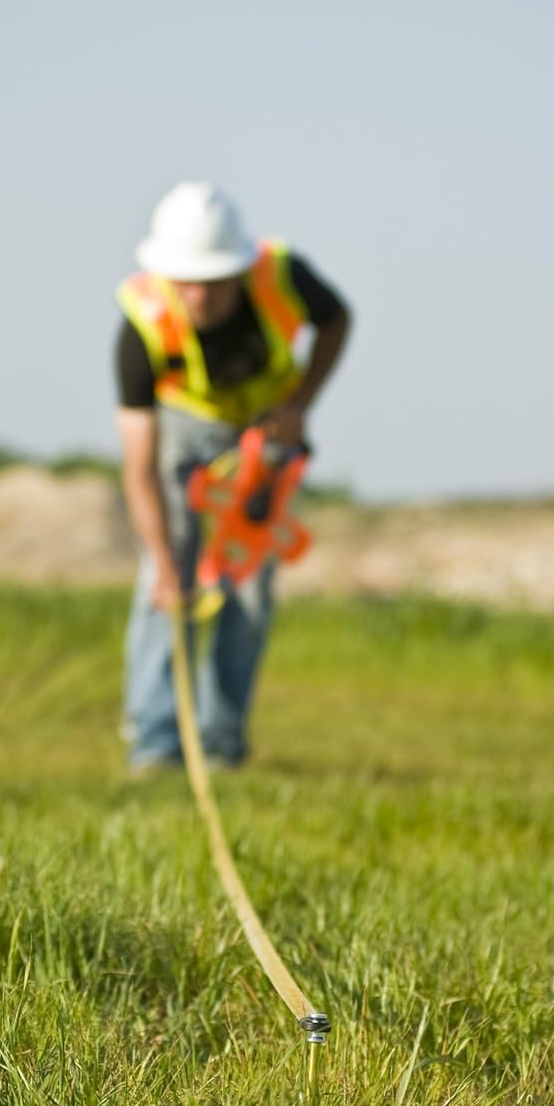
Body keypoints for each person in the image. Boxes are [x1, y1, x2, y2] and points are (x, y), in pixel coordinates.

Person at [114, 181, 351, 772]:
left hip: (262, 442)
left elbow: (338, 320)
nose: (198, 294)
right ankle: (155, 745)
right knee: (164, 591)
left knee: (247, 590)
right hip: (184, 441)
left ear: (238, 270)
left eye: (212, 279)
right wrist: (166, 562)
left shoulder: (284, 275)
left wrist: (299, 405)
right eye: (185, 279)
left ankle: (221, 746)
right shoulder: (139, 328)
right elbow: (140, 467)